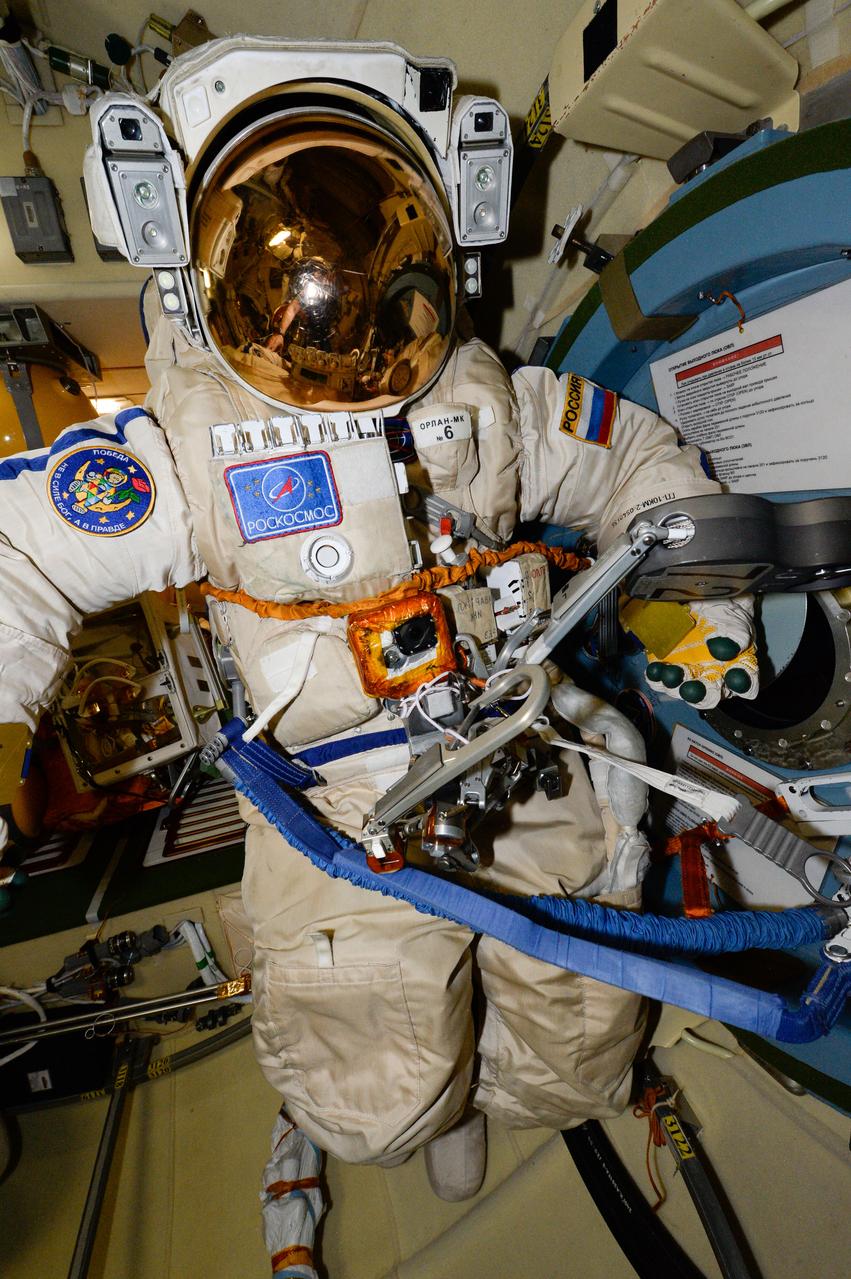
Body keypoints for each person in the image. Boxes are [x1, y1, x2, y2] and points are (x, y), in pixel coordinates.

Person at [0, 35, 757, 1201]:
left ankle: (519, 1094)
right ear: (217, 271)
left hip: (521, 753)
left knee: (583, 1027)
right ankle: (435, 1099)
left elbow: (633, 463)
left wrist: (700, 596)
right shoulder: (186, 454)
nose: (340, 310)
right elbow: (18, 551)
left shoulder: (484, 401)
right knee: (372, 1094)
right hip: (337, 802)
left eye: (373, 253)